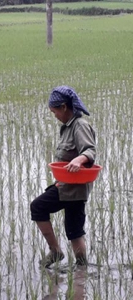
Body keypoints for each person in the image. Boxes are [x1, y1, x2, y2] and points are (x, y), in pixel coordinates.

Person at [30, 86, 96, 267]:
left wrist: (79, 160)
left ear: (64, 107)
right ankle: (81, 269)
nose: (55, 115)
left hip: (75, 188)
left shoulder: (80, 126)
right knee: (74, 230)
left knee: (38, 207)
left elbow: (90, 150)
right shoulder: (67, 127)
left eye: (55, 111)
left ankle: (60, 254)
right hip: (66, 185)